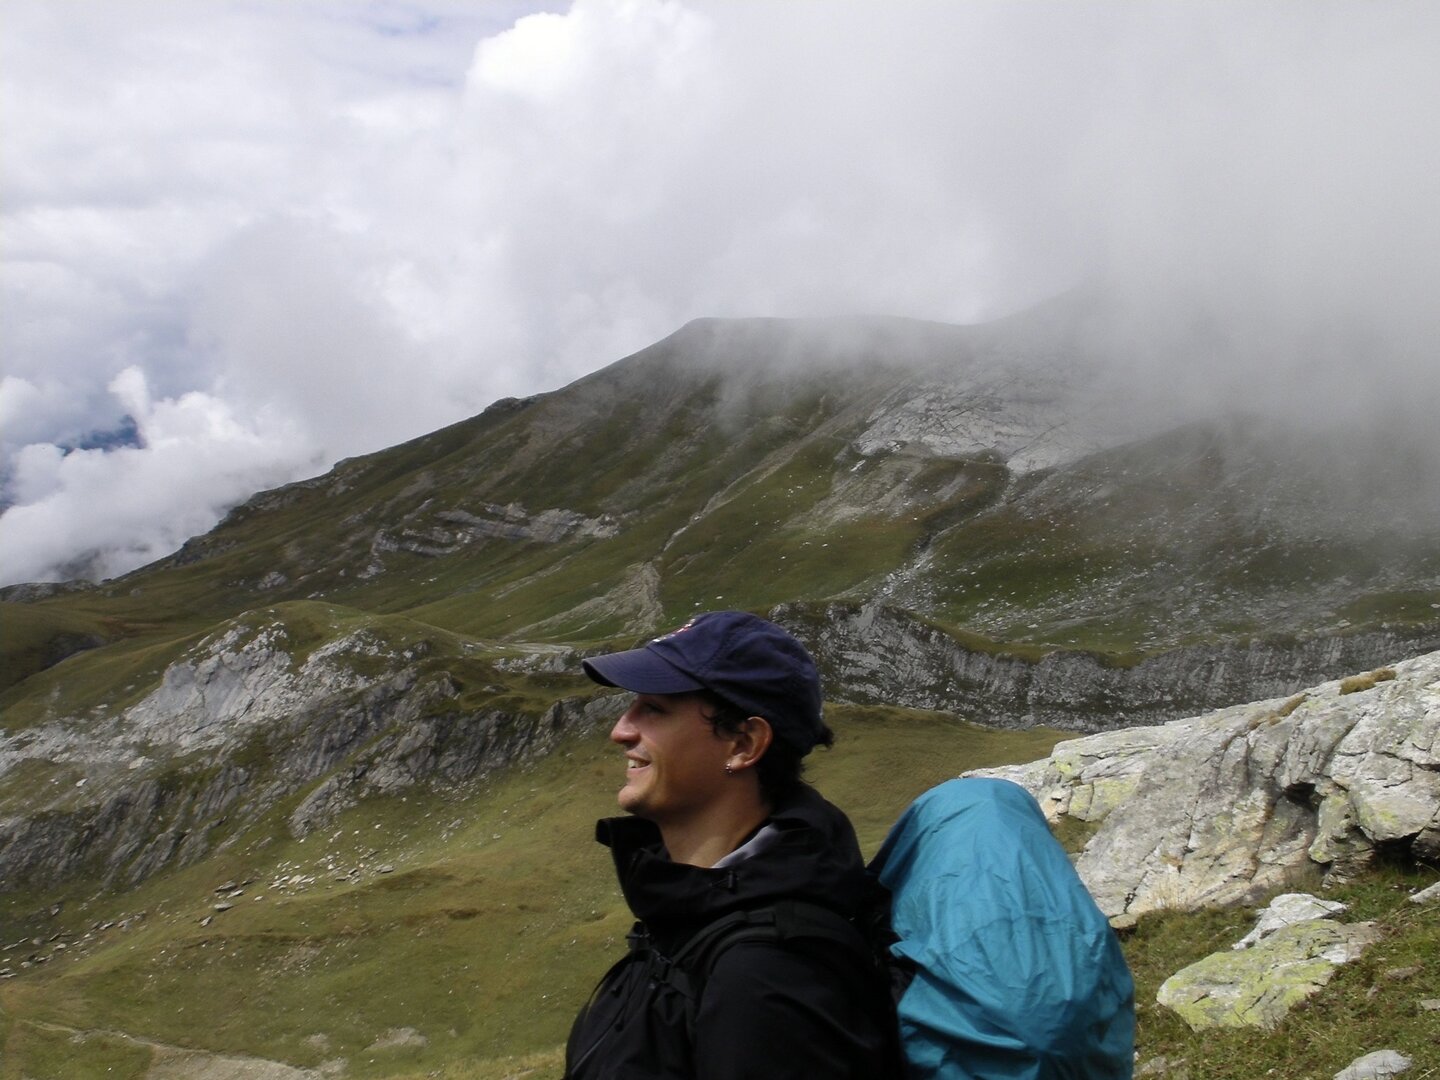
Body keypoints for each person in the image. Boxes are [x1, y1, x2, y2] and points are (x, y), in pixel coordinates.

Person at [563, 610, 898, 1080]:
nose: (621, 730)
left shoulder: (768, 976)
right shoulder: (690, 917)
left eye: (654, 709)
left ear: (743, 743)